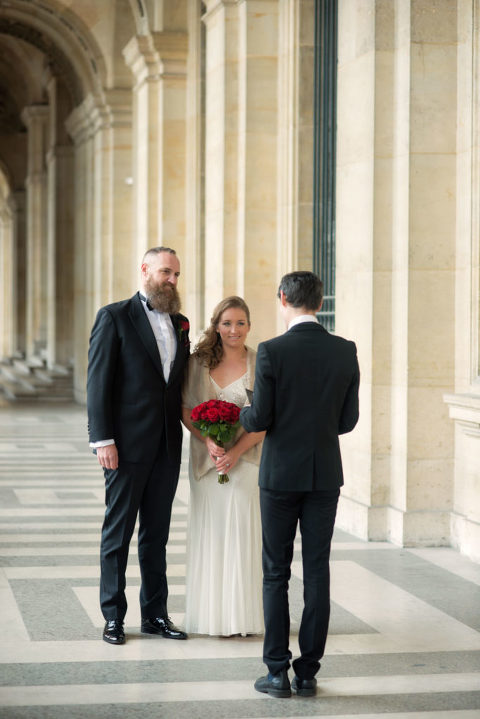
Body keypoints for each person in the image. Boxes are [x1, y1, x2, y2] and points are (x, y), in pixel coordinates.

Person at [240, 271, 360, 698]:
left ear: (282, 298)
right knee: (317, 572)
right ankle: (308, 672)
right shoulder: (345, 351)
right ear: (321, 300)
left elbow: (260, 420)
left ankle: (276, 672)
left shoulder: (272, 351)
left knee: (275, 572)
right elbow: (347, 421)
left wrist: (242, 412)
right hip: (324, 474)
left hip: (279, 477)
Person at [87, 246, 190, 645]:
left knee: (157, 535)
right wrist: (103, 439)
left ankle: (156, 615)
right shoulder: (113, 317)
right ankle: (113, 617)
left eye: (177, 274)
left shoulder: (180, 322)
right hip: (125, 446)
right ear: (145, 270)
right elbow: (98, 384)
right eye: (166, 272)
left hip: (167, 445)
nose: (172, 280)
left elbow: (176, 385)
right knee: (118, 533)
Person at [181, 296, 265, 636]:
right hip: (207, 463)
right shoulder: (197, 362)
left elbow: (266, 419)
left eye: (241, 323)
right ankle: (211, 616)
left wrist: (236, 451)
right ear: (217, 325)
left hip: (248, 461)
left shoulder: (262, 362)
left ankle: (240, 618)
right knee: (211, 533)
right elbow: (186, 409)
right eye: (227, 323)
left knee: (242, 532)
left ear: (249, 326)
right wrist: (210, 442)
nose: (234, 330)